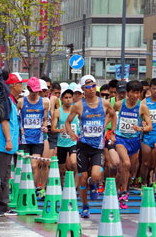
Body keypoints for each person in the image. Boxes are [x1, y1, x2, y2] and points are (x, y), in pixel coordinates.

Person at [65, 75, 116, 218]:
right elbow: (68, 122)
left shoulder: (104, 103)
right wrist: (70, 133)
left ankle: (93, 183)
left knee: (95, 175)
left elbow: (113, 115)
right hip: (83, 146)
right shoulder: (78, 105)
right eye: (88, 86)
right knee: (82, 178)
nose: (92, 89)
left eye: (94, 85)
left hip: (98, 147)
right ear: (83, 89)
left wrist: (110, 130)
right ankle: (85, 206)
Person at [114, 80, 152, 209]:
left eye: (138, 93)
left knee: (126, 170)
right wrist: (111, 130)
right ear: (127, 93)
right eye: (133, 92)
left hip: (134, 141)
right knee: (126, 164)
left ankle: (117, 190)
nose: (135, 95)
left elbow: (150, 126)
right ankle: (124, 192)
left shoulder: (142, 107)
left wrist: (140, 129)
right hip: (120, 139)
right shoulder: (119, 104)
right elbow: (110, 115)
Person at [0, 72, 21, 215]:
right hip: (1, 145)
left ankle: (0, 205)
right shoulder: (5, 100)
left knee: (2, 176)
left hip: (1, 145)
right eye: (20, 83)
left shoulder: (6, 100)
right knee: (1, 176)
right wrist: (8, 140)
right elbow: (4, 121)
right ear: (13, 85)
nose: (22, 86)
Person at [17, 77, 49, 190]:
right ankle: (23, 189)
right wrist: (19, 128)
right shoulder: (21, 102)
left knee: (34, 165)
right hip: (25, 138)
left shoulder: (44, 102)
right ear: (28, 89)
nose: (35, 93)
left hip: (38, 138)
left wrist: (45, 126)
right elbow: (16, 118)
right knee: (25, 166)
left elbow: (45, 119)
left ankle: (33, 190)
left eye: (37, 91)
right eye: (33, 90)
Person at [51, 88, 78, 185]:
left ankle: (75, 184)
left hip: (73, 142)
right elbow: (53, 129)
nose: (68, 100)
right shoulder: (58, 112)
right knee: (61, 168)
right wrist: (59, 130)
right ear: (62, 99)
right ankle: (62, 185)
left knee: (73, 162)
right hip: (61, 143)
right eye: (66, 97)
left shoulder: (76, 110)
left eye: (70, 97)